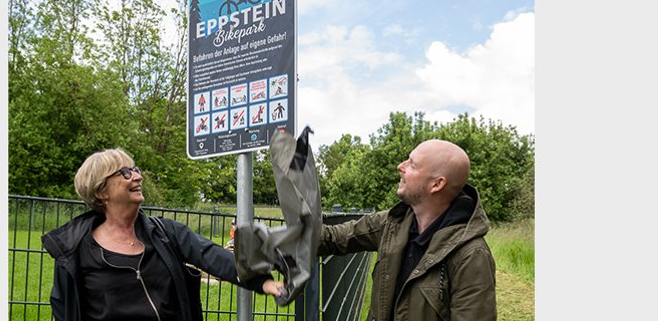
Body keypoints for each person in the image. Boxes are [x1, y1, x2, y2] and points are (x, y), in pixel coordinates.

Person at [42, 148, 284, 321]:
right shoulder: (74, 251)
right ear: (101, 191)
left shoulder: (166, 233)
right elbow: (64, 311)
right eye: (125, 173)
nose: (137, 176)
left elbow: (212, 256)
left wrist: (263, 282)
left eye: (135, 169)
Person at [318, 139, 497, 320]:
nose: (400, 166)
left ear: (436, 184)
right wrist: (291, 238)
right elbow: (335, 237)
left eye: (412, 165)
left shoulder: (471, 256)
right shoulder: (393, 222)